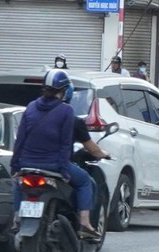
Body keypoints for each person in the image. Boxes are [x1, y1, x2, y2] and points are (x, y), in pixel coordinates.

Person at [11, 69, 109, 240]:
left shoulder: (31, 106)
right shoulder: (66, 111)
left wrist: (15, 166)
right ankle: (85, 223)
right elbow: (65, 144)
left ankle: (16, 217)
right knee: (86, 181)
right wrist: (64, 170)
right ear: (64, 91)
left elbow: (20, 140)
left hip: (26, 163)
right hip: (53, 165)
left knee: (19, 183)